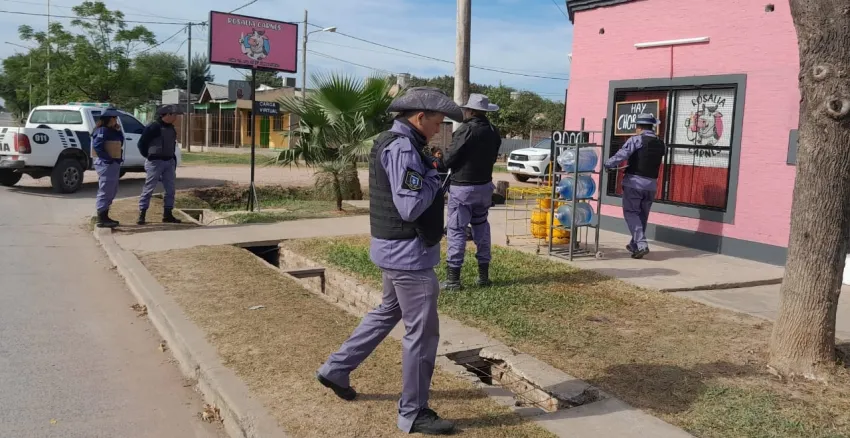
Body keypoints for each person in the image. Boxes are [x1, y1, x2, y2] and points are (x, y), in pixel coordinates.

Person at [316, 87, 463, 435]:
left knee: (387, 312)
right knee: (422, 334)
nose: (438, 129)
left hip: (395, 251)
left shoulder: (395, 142)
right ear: (418, 117)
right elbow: (410, 206)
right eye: (437, 123)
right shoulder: (402, 148)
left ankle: (336, 369)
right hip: (408, 257)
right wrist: (437, 181)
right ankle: (413, 413)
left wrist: (429, 175)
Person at [440, 94, 502, 290]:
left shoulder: (466, 130)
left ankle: (453, 280)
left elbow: (450, 159)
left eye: (466, 109)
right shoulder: (493, 131)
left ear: (471, 111)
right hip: (484, 187)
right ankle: (483, 276)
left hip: (462, 188)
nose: (464, 112)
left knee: (456, 230)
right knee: (481, 227)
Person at [603, 113, 666, 259]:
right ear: (652, 127)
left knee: (631, 213)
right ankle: (635, 245)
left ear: (638, 127)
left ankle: (642, 244)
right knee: (642, 216)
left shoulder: (636, 140)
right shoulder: (661, 143)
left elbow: (621, 155)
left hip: (634, 183)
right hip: (651, 186)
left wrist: (608, 164)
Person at [136, 104, 182, 225]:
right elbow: (141, 144)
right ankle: (142, 214)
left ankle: (167, 214)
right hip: (155, 162)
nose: (176, 117)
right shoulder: (153, 127)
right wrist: (150, 157)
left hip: (169, 162)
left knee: (170, 190)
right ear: (166, 115)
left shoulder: (171, 128)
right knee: (149, 188)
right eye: (174, 115)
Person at [91, 109, 125, 228]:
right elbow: (97, 146)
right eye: (114, 118)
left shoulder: (112, 130)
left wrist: (118, 130)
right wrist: (108, 159)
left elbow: (121, 142)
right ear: (110, 119)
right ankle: (101, 217)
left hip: (114, 162)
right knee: (105, 189)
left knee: (112, 189)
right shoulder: (102, 130)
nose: (116, 120)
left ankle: (105, 215)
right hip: (107, 164)